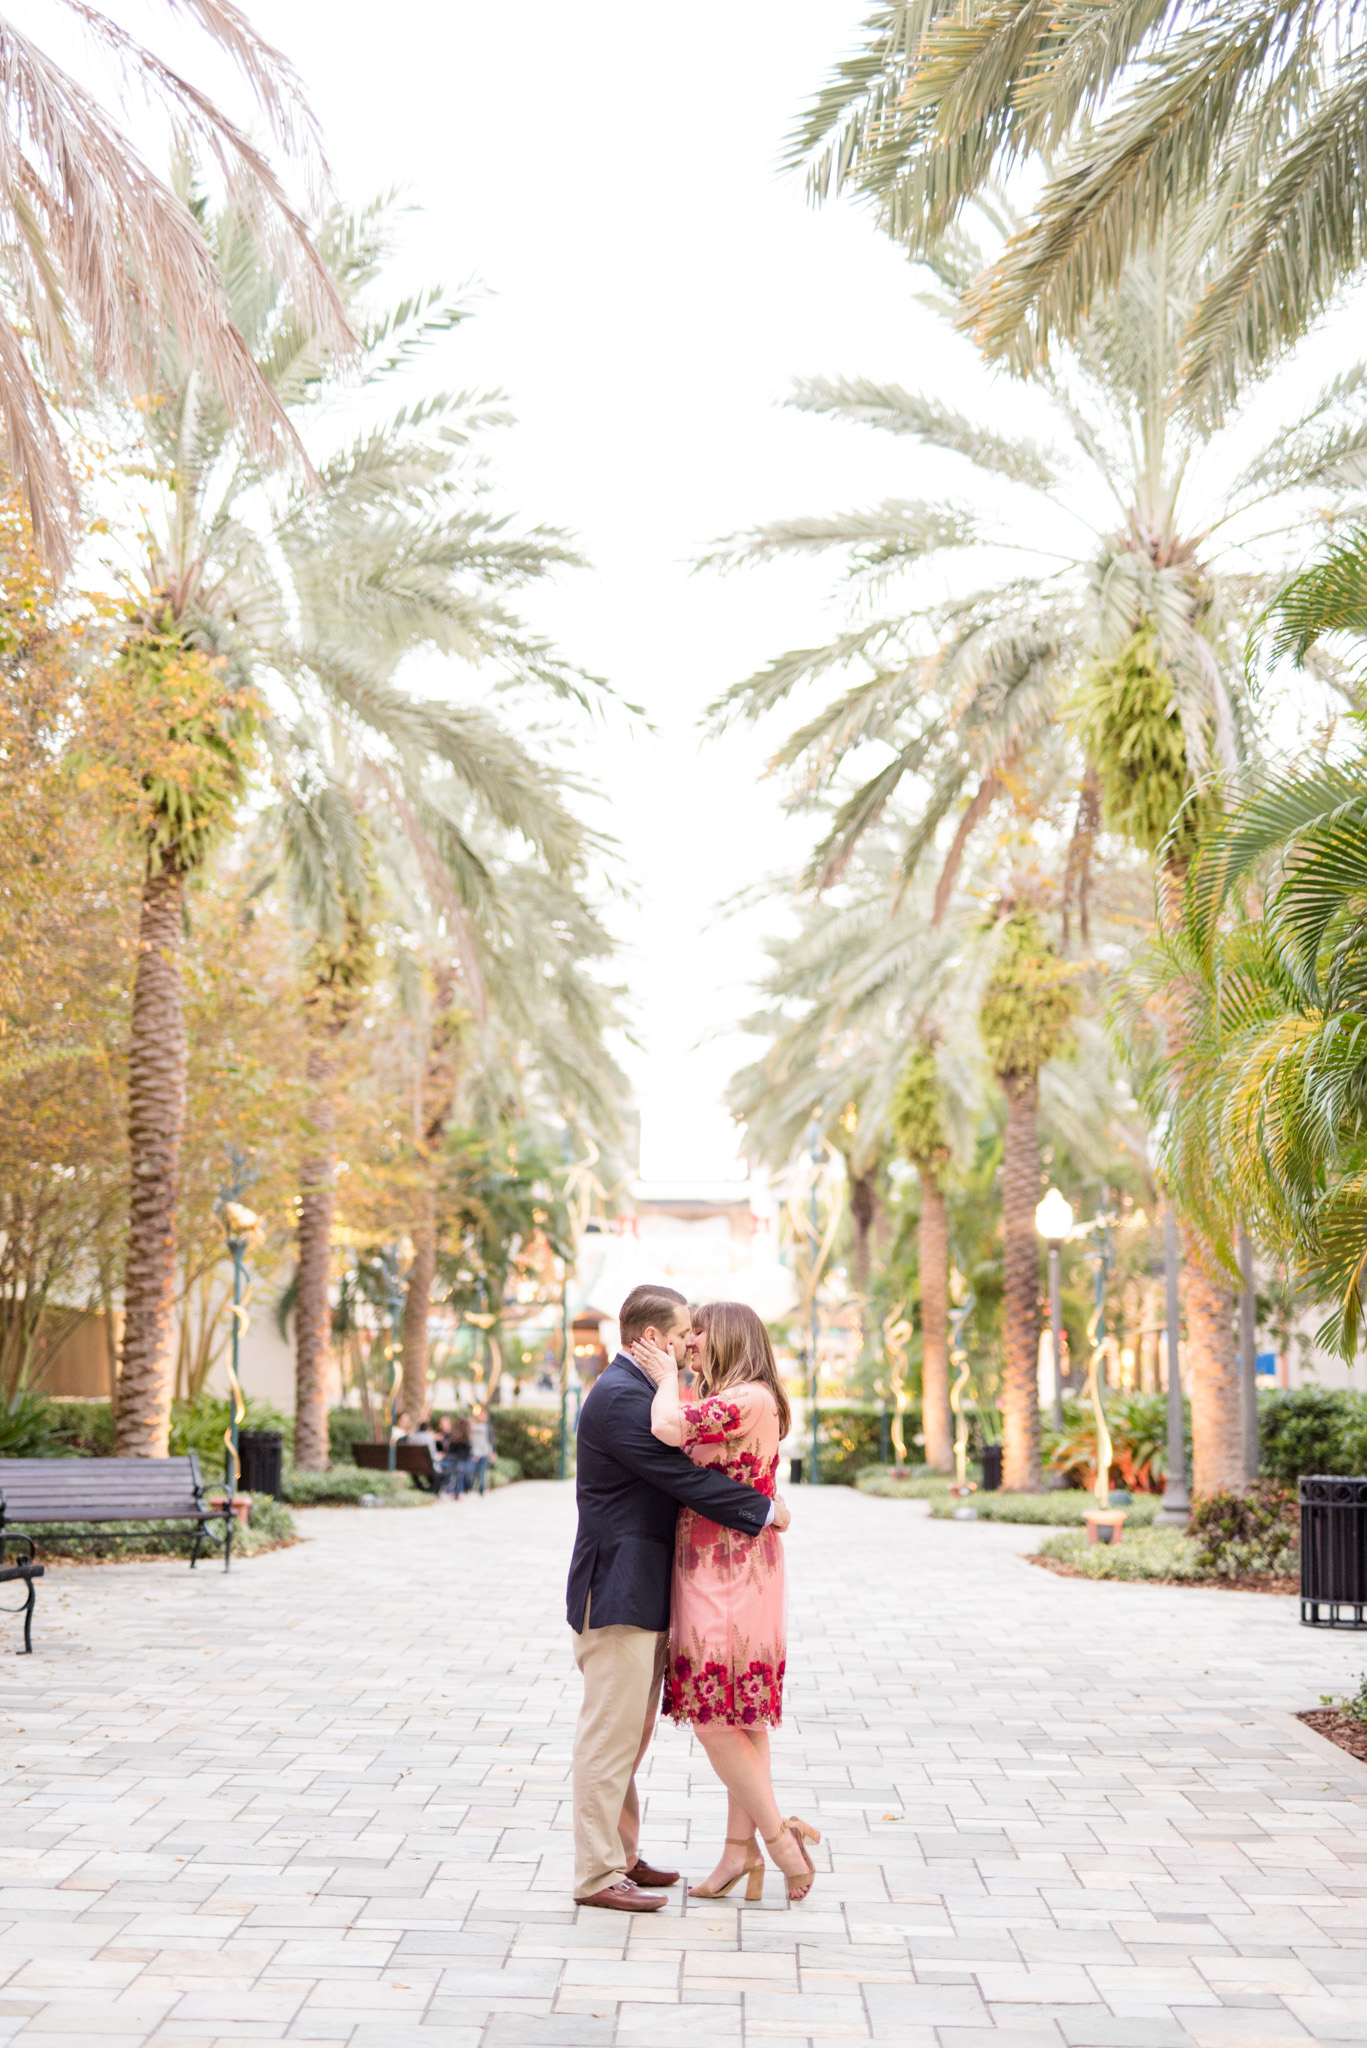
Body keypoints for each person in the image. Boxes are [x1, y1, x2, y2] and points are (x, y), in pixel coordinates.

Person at [565, 1283, 792, 1914]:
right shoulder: (618, 1398)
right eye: (684, 1331)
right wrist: (765, 1509)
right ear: (655, 1339)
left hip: (647, 1589)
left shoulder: (647, 1391)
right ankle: (595, 1875)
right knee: (609, 1739)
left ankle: (623, 1856)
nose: (693, 1341)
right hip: (616, 1590)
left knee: (628, 1738)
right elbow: (679, 1478)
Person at [632, 1299, 819, 1905]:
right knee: (741, 1715)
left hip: (729, 1567)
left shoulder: (747, 1398)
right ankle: (738, 1853)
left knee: (716, 1714)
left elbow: (667, 1427)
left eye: (700, 1334)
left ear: (728, 1337)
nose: (691, 1344)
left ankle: (777, 1840)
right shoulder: (744, 1398)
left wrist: (666, 1378)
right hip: (727, 1559)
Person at [468, 1405, 493, 1494]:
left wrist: (493, 1452)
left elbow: (491, 1439)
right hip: (474, 1452)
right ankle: (470, 1488)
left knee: (482, 1472)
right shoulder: (472, 1425)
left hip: (485, 1452)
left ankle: (481, 1490)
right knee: (472, 1471)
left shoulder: (488, 1427)